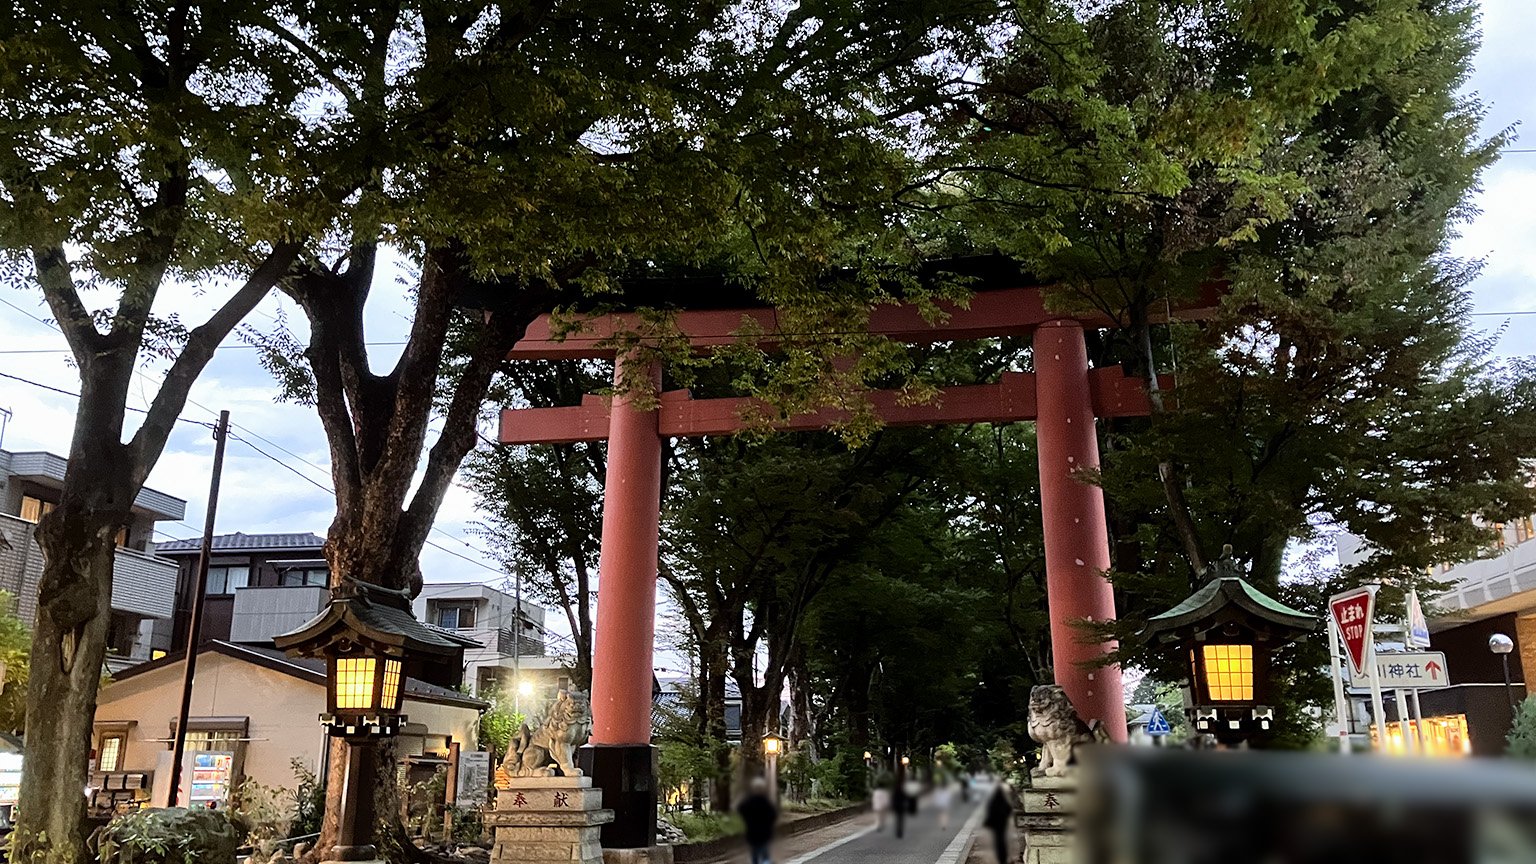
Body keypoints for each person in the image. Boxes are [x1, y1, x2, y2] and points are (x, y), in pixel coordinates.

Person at [737, 777, 778, 864]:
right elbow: (773, 815)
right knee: (764, 851)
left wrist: (747, 820)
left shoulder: (748, 801)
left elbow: (741, 809)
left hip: (752, 831)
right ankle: (766, 862)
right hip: (765, 831)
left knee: (754, 852)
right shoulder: (765, 802)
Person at [984, 782, 1013, 864]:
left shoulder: (992, 799)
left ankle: (1001, 858)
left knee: (998, 840)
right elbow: (1008, 809)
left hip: (995, 822)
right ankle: (1003, 858)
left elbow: (989, 810)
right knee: (1002, 839)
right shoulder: (1002, 799)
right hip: (1002, 821)